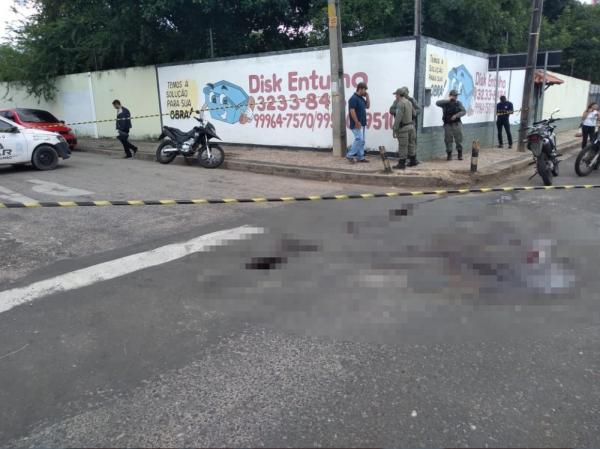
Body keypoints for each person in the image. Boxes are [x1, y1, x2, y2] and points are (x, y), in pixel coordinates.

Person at [391, 87, 417, 170]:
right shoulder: (409, 102)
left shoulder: (400, 103)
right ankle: (413, 161)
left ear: (399, 95)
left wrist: (395, 128)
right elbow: (414, 113)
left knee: (403, 146)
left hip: (403, 128)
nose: (395, 96)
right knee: (411, 144)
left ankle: (402, 164)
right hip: (411, 126)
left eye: (396, 95)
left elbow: (398, 117)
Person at [436, 90, 466, 160]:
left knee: (459, 139)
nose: (456, 97)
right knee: (448, 140)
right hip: (447, 125)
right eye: (455, 96)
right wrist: (448, 100)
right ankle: (449, 154)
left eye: (456, 96)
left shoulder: (458, 103)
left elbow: (464, 111)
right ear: (451, 95)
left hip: (456, 124)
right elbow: (437, 103)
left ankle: (460, 154)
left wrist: (456, 115)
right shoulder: (445, 103)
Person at [346, 82, 370, 163]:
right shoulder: (353, 98)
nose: (365, 91)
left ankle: (361, 157)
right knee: (359, 139)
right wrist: (356, 122)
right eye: (365, 90)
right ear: (360, 89)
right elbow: (352, 110)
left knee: (362, 141)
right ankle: (349, 155)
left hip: (362, 123)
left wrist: (367, 96)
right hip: (357, 124)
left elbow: (367, 106)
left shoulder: (361, 98)